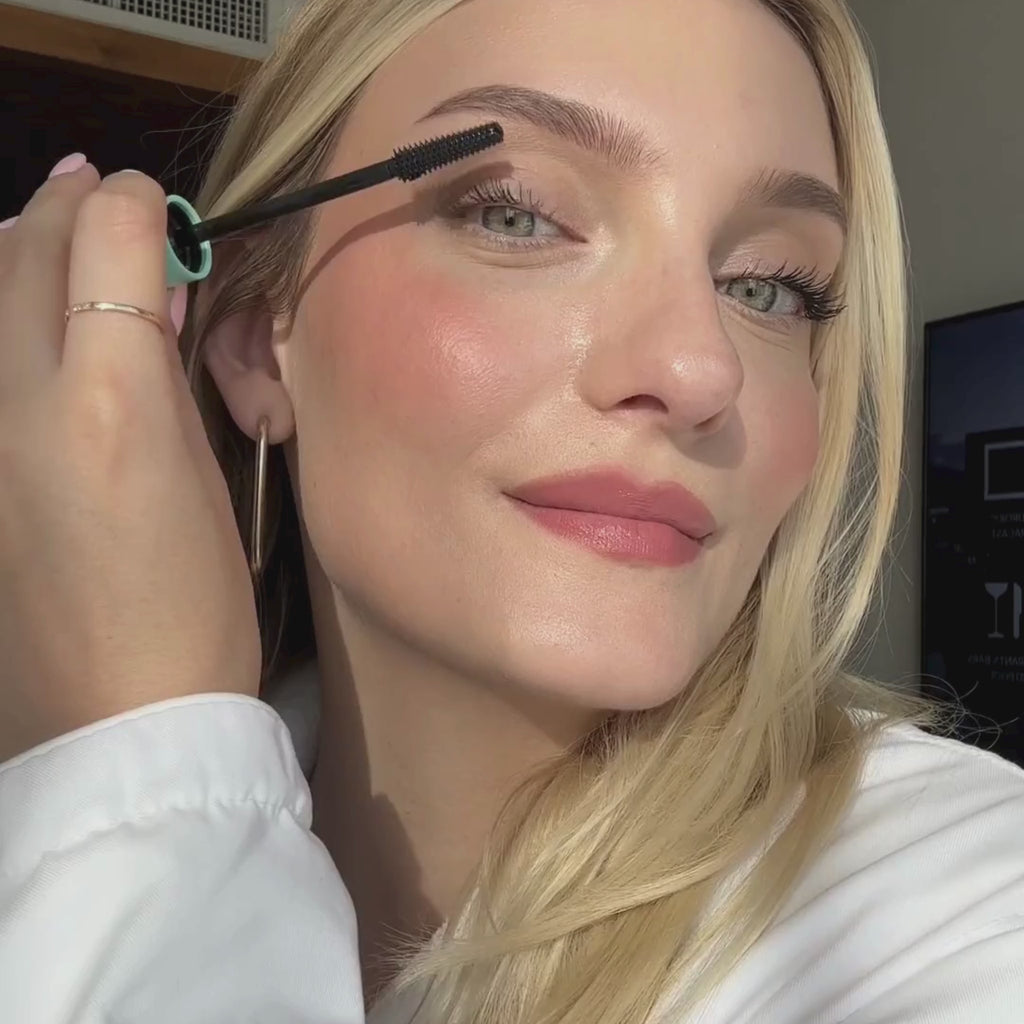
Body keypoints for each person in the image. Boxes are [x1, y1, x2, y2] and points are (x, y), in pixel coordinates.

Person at [0, 0, 1022, 1021]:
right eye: (515, 214)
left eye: (770, 286)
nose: (698, 368)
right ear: (259, 342)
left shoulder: (962, 916)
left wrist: (148, 786)